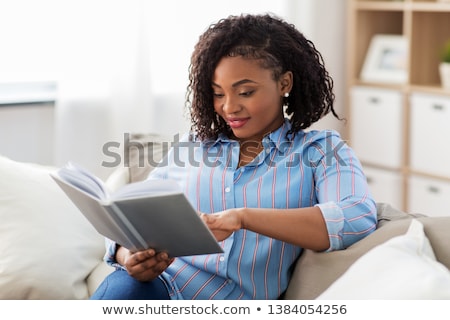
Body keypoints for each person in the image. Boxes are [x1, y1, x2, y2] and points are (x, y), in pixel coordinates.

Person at [91, 13, 377, 300]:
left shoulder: (320, 150)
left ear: (284, 83)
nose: (229, 107)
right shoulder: (194, 147)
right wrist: (128, 254)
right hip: (157, 288)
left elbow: (357, 216)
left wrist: (243, 218)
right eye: (218, 94)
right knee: (124, 290)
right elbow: (130, 214)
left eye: (245, 92)